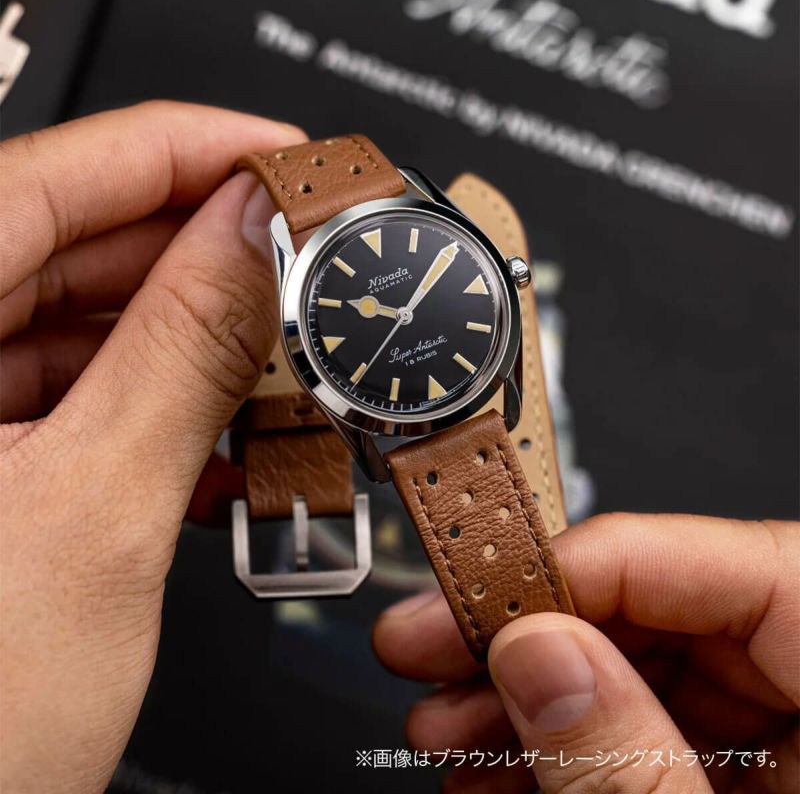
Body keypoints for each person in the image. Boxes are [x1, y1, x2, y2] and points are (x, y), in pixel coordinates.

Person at [0, 102, 796, 794]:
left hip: (456, 394)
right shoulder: (308, 333)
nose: (408, 316)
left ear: (504, 276)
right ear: (297, 344)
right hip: (393, 415)